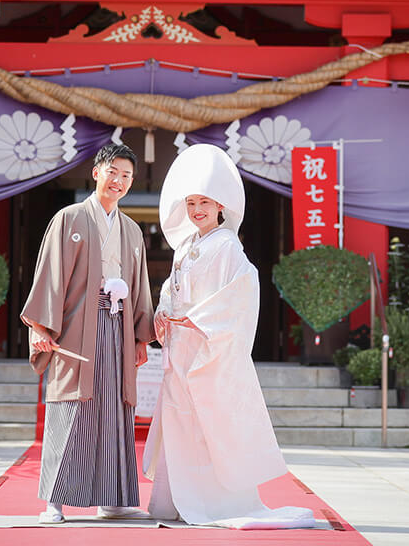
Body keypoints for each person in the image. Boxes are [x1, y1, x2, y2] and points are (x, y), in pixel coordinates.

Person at [142, 143, 314, 528]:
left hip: (208, 350)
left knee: (208, 424)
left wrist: (200, 319)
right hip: (181, 349)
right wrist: (163, 311)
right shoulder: (184, 246)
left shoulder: (227, 246)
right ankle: (172, 502)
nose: (197, 210)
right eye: (191, 203)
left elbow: (241, 291)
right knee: (179, 422)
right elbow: (170, 290)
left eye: (204, 202)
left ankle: (210, 503)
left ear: (220, 205)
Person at [20, 142, 156, 524]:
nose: (119, 181)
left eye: (127, 176)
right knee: (72, 405)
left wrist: (140, 338)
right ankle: (54, 500)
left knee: (115, 408)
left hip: (118, 326)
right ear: (96, 172)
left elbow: (140, 286)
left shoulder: (131, 230)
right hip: (75, 327)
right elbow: (49, 275)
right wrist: (40, 328)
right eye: (113, 172)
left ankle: (113, 499)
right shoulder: (69, 219)